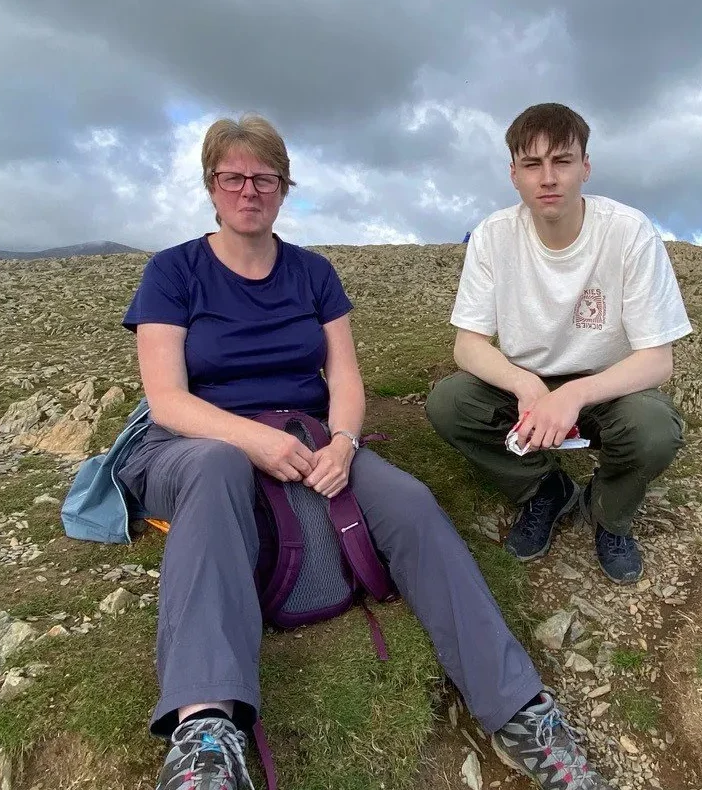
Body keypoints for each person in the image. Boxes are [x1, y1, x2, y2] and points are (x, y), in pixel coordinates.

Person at [117, 114, 614, 790]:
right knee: (217, 464)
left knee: (408, 502)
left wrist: (346, 442)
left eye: (264, 178)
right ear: (211, 185)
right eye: (232, 177)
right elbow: (168, 399)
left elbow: (345, 380)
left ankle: (521, 710)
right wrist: (251, 438)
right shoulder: (173, 271)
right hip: (195, 439)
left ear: (284, 187)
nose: (248, 190)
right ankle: (205, 732)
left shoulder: (313, 274)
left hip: (309, 433)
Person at [426, 102, 691, 585]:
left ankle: (609, 514)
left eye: (562, 161)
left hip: (609, 386)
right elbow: (468, 345)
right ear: (514, 175)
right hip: (528, 383)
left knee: (654, 430)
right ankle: (545, 489)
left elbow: (658, 360)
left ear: (585, 167)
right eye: (532, 164)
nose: (548, 178)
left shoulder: (629, 232)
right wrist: (526, 385)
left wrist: (575, 394)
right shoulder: (492, 236)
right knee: (449, 403)